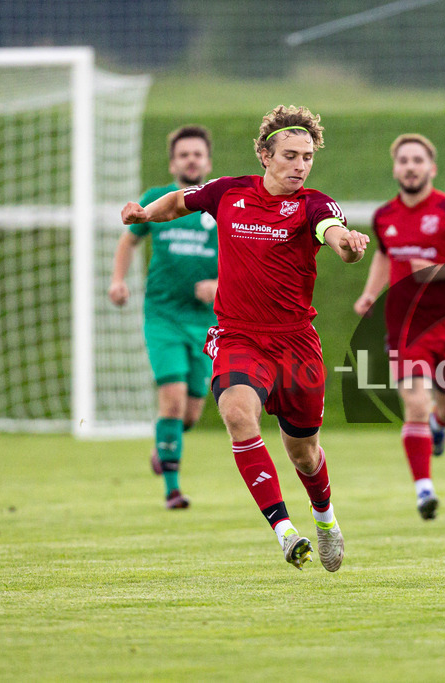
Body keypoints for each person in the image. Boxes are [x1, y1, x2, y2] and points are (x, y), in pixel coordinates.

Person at [120, 106, 370, 572]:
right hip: (238, 336)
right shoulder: (229, 192)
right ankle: (283, 530)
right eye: (290, 155)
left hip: (296, 345)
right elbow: (177, 202)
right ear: (264, 155)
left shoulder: (314, 203)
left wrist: (349, 248)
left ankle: (325, 518)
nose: (299, 165)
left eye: (308, 157)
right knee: (238, 414)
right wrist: (144, 215)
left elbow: (332, 233)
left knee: (305, 453)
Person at [353, 134, 445, 521]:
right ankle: (424, 489)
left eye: (418, 160)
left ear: (432, 168)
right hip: (405, 327)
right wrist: (368, 293)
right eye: (404, 160)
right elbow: (382, 254)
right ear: (395, 168)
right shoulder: (384, 217)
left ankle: (437, 425)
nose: (410, 166)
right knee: (413, 404)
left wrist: (433, 274)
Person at [109, 125, 218, 510]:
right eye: (183, 154)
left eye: (197, 154)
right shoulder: (157, 201)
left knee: (190, 411)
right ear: (173, 163)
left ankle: (164, 448)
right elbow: (130, 238)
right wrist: (118, 280)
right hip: (163, 316)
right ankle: (172, 488)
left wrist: (219, 286)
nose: (191, 159)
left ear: (207, 161)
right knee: (170, 401)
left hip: (206, 321)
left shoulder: (220, 205)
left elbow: (243, 261)